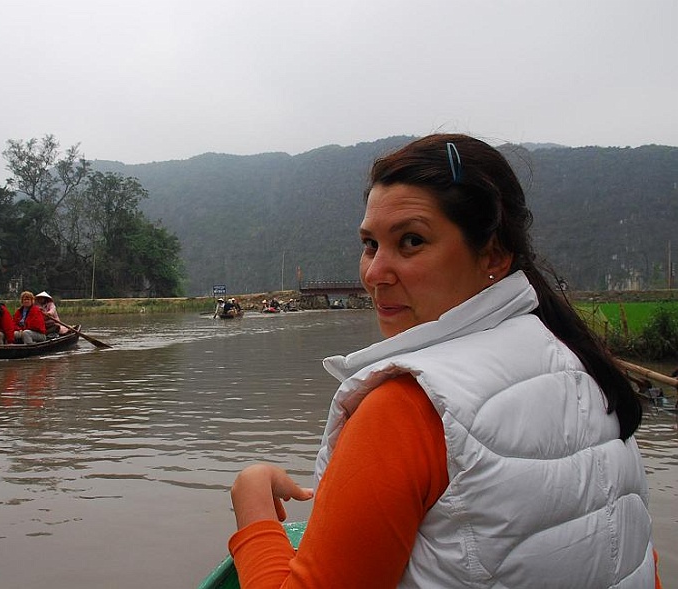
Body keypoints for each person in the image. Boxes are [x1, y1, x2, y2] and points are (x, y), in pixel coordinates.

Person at [227, 134, 659, 587]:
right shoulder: (586, 370)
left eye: (411, 241)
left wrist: (254, 510)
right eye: (370, 244)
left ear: (492, 254)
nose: (375, 274)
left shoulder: (407, 407)